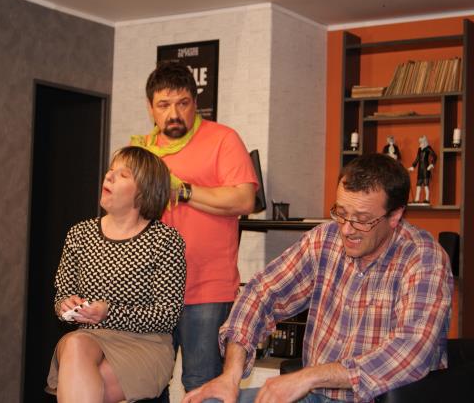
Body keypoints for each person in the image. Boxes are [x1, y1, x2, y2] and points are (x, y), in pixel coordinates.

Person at [184, 153, 452, 403]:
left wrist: (309, 377)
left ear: (395, 216)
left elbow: (411, 349)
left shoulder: (423, 258)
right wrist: (230, 375)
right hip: (316, 396)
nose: (347, 230)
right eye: (341, 213)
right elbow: (261, 293)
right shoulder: (325, 239)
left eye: (362, 220)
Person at [130, 60, 258, 391]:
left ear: (195, 103)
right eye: (164, 105)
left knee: (202, 386)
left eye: (183, 103)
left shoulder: (223, 139)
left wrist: (183, 190)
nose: (174, 113)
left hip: (207, 289)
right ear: (150, 108)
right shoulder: (142, 150)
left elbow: (245, 199)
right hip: (150, 289)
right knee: (146, 385)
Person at [46, 146, 186, 403]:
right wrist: (66, 306)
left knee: (81, 383)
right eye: (111, 170)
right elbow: (62, 296)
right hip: (89, 337)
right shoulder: (80, 234)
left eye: (123, 174)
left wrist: (109, 312)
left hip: (145, 344)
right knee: (75, 344)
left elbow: (167, 315)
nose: (108, 176)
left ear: (144, 192)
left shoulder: (165, 240)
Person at [408, 135, 437, 203]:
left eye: (421, 141)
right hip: (420, 169)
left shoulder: (428, 148)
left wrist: (431, 164)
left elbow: (434, 156)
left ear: (424, 141)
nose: (420, 143)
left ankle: (427, 199)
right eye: (420, 142)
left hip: (426, 168)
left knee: (426, 185)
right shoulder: (419, 149)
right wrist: (413, 166)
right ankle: (417, 199)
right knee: (418, 184)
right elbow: (417, 158)